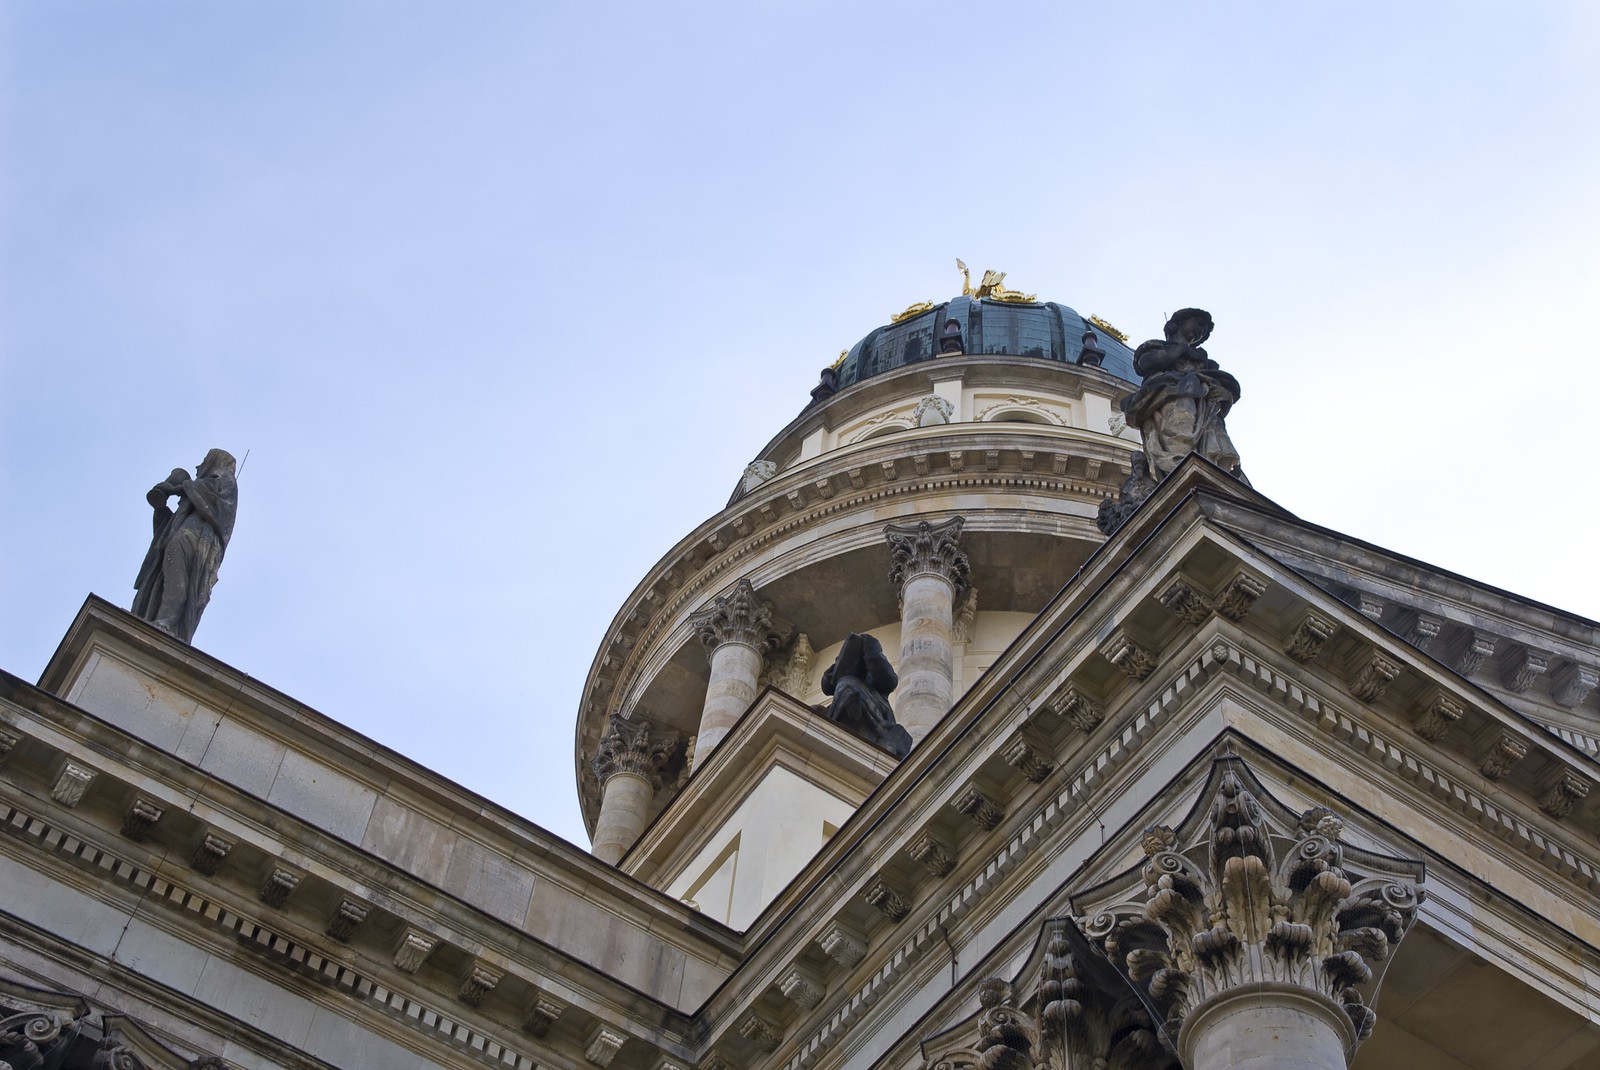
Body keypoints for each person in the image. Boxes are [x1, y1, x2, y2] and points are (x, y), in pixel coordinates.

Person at [1120, 308, 1243, 479]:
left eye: (1205, 331)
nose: (1201, 331)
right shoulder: (1156, 346)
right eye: (1199, 324)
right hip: (1170, 395)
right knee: (1180, 429)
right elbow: (1147, 363)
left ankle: (1215, 467)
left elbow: (1228, 384)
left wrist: (1218, 389)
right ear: (1178, 323)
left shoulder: (1205, 362)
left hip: (1203, 403)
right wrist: (1181, 350)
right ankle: (1180, 466)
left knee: (1214, 435)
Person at [132, 449, 238, 643]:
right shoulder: (193, 497)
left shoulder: (226, 481)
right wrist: (161, 509)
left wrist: (178, 487)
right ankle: (159, 619)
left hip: (197, 540)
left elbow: (208, 494)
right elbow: (167, 527)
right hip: (184, 536)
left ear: (215, 462)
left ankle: (165, 623)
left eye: (204, 461)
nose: (198, 466)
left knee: (179, 581)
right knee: (166, 580)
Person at [820, 632, 912, 759]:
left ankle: (853, 710)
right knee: (845, 685)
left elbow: (889, 680)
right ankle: (851, 710)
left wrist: (870, 650)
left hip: (876, 713)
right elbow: (827, 686)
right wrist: (839, 665)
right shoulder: (846, 681)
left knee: (848, 685)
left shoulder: (877, 677)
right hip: (847, 702)